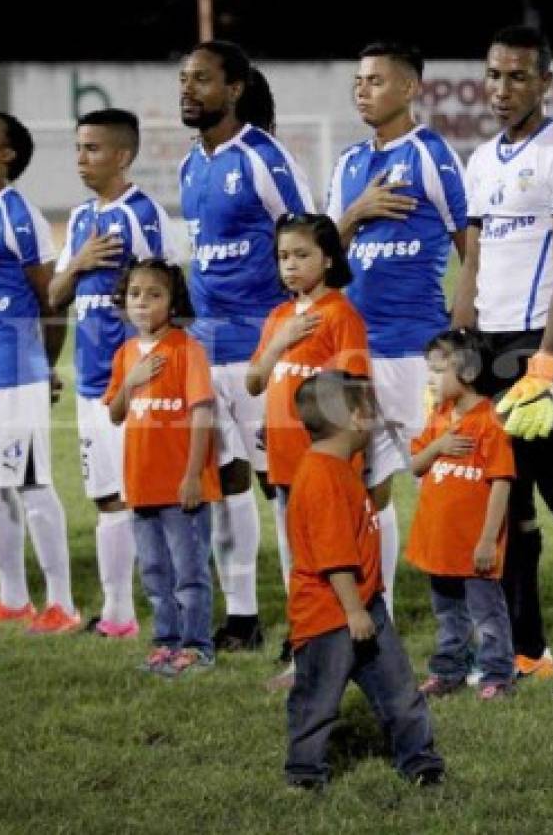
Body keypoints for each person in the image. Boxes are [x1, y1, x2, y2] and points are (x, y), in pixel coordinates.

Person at [451, 24, 553, 696]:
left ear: (544, 83)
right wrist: (461, 334)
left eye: (516, 76)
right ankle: (527, 650)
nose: (501, 88)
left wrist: (549, 358)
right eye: (493, 75)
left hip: (541, 345)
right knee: (506, 497)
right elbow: (472, 262)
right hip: (489, 346)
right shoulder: (481, 159)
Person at [178, 40, 315, 650]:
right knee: (227, 478)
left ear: (233, 89)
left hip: (268, 353)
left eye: (202, 79)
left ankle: (305, 617)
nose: (188, 89)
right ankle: (242, 617)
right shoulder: (189, 164)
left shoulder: (262, 156)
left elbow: (310, 237)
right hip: (210, 352)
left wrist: (297, 331)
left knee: (282, 484)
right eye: (184, 79)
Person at [326, 41, 468, 616]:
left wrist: (461, 332)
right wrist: (355, 213)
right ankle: (375, 607)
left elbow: (469, 243)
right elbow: (327, 255)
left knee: (446, 480)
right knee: (366, 484)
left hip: (417, 350)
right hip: (359, 350)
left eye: (377, 80)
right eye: (359, 80)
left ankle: (472, 628)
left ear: (409, 88)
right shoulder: (347, 165)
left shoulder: (432, 154)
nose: (363, 89)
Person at [48, 108, 181, 638]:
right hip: (90, 379)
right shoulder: (82, 220)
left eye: (93, 149)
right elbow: (54, 295)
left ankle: (174, 612)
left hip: (136, 379)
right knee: (106, 496)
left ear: (123, 156)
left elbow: (170, 296)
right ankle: (118, 614)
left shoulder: (140, 216)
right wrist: (78, 263)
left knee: (151, 497)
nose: (82, 158)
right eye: (79, 148)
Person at [284, 370, 444, 790]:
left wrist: (364, 606)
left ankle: (420, 761)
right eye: (369, 411)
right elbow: (334, 558)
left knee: (399, 691)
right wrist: (354, 611)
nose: (374, 420)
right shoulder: (322, 478)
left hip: (363, 605)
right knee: (317, 701)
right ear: (354, 418)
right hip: (331, 614)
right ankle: (304, 773)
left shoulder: (339, 467)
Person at [0, 112, 76, 634]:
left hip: (13, 370)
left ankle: (63, 605)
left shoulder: (16, 211)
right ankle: (12, 598)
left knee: (28, 482)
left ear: (6, 156)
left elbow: (51, 296)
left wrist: (44, 366)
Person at [246, 212, 368, 687]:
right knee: (296, 562)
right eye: (283, 257)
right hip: (283, 462)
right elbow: (254, 382)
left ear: (329, 258)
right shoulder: (278, 318)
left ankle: (342, 652)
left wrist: (349, 460)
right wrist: (277, 345)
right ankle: (306, 655)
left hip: (325, 466)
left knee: (331, 558)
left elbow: (355, 393)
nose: (291, 266)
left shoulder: (341, 315)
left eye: (302, 255)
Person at [104, 260, 220, 676]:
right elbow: (116, 414)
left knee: (189, 572)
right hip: (142, 484)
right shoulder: (126, 355)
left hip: (181, 485)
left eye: (154, 295)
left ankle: (196, 645)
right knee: (153, 570)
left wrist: (192, 476)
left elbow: (202, 415)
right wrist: (132, 380)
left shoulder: (186, 350)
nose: (142, 302)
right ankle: (165, 642)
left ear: (173, 302)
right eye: (135, 294)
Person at [407, 329, 516, 700]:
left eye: (438, 371)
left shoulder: (490, 423)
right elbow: (415, 465)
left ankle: (496, 675)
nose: (431, 380)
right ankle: (448, 671)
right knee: (448, 614)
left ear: (467, 373)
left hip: (473, 546)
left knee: (486, 614)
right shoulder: (438, 417)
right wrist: (438, 445)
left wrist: (488, 540)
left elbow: (501, 483)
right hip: (439, 543)